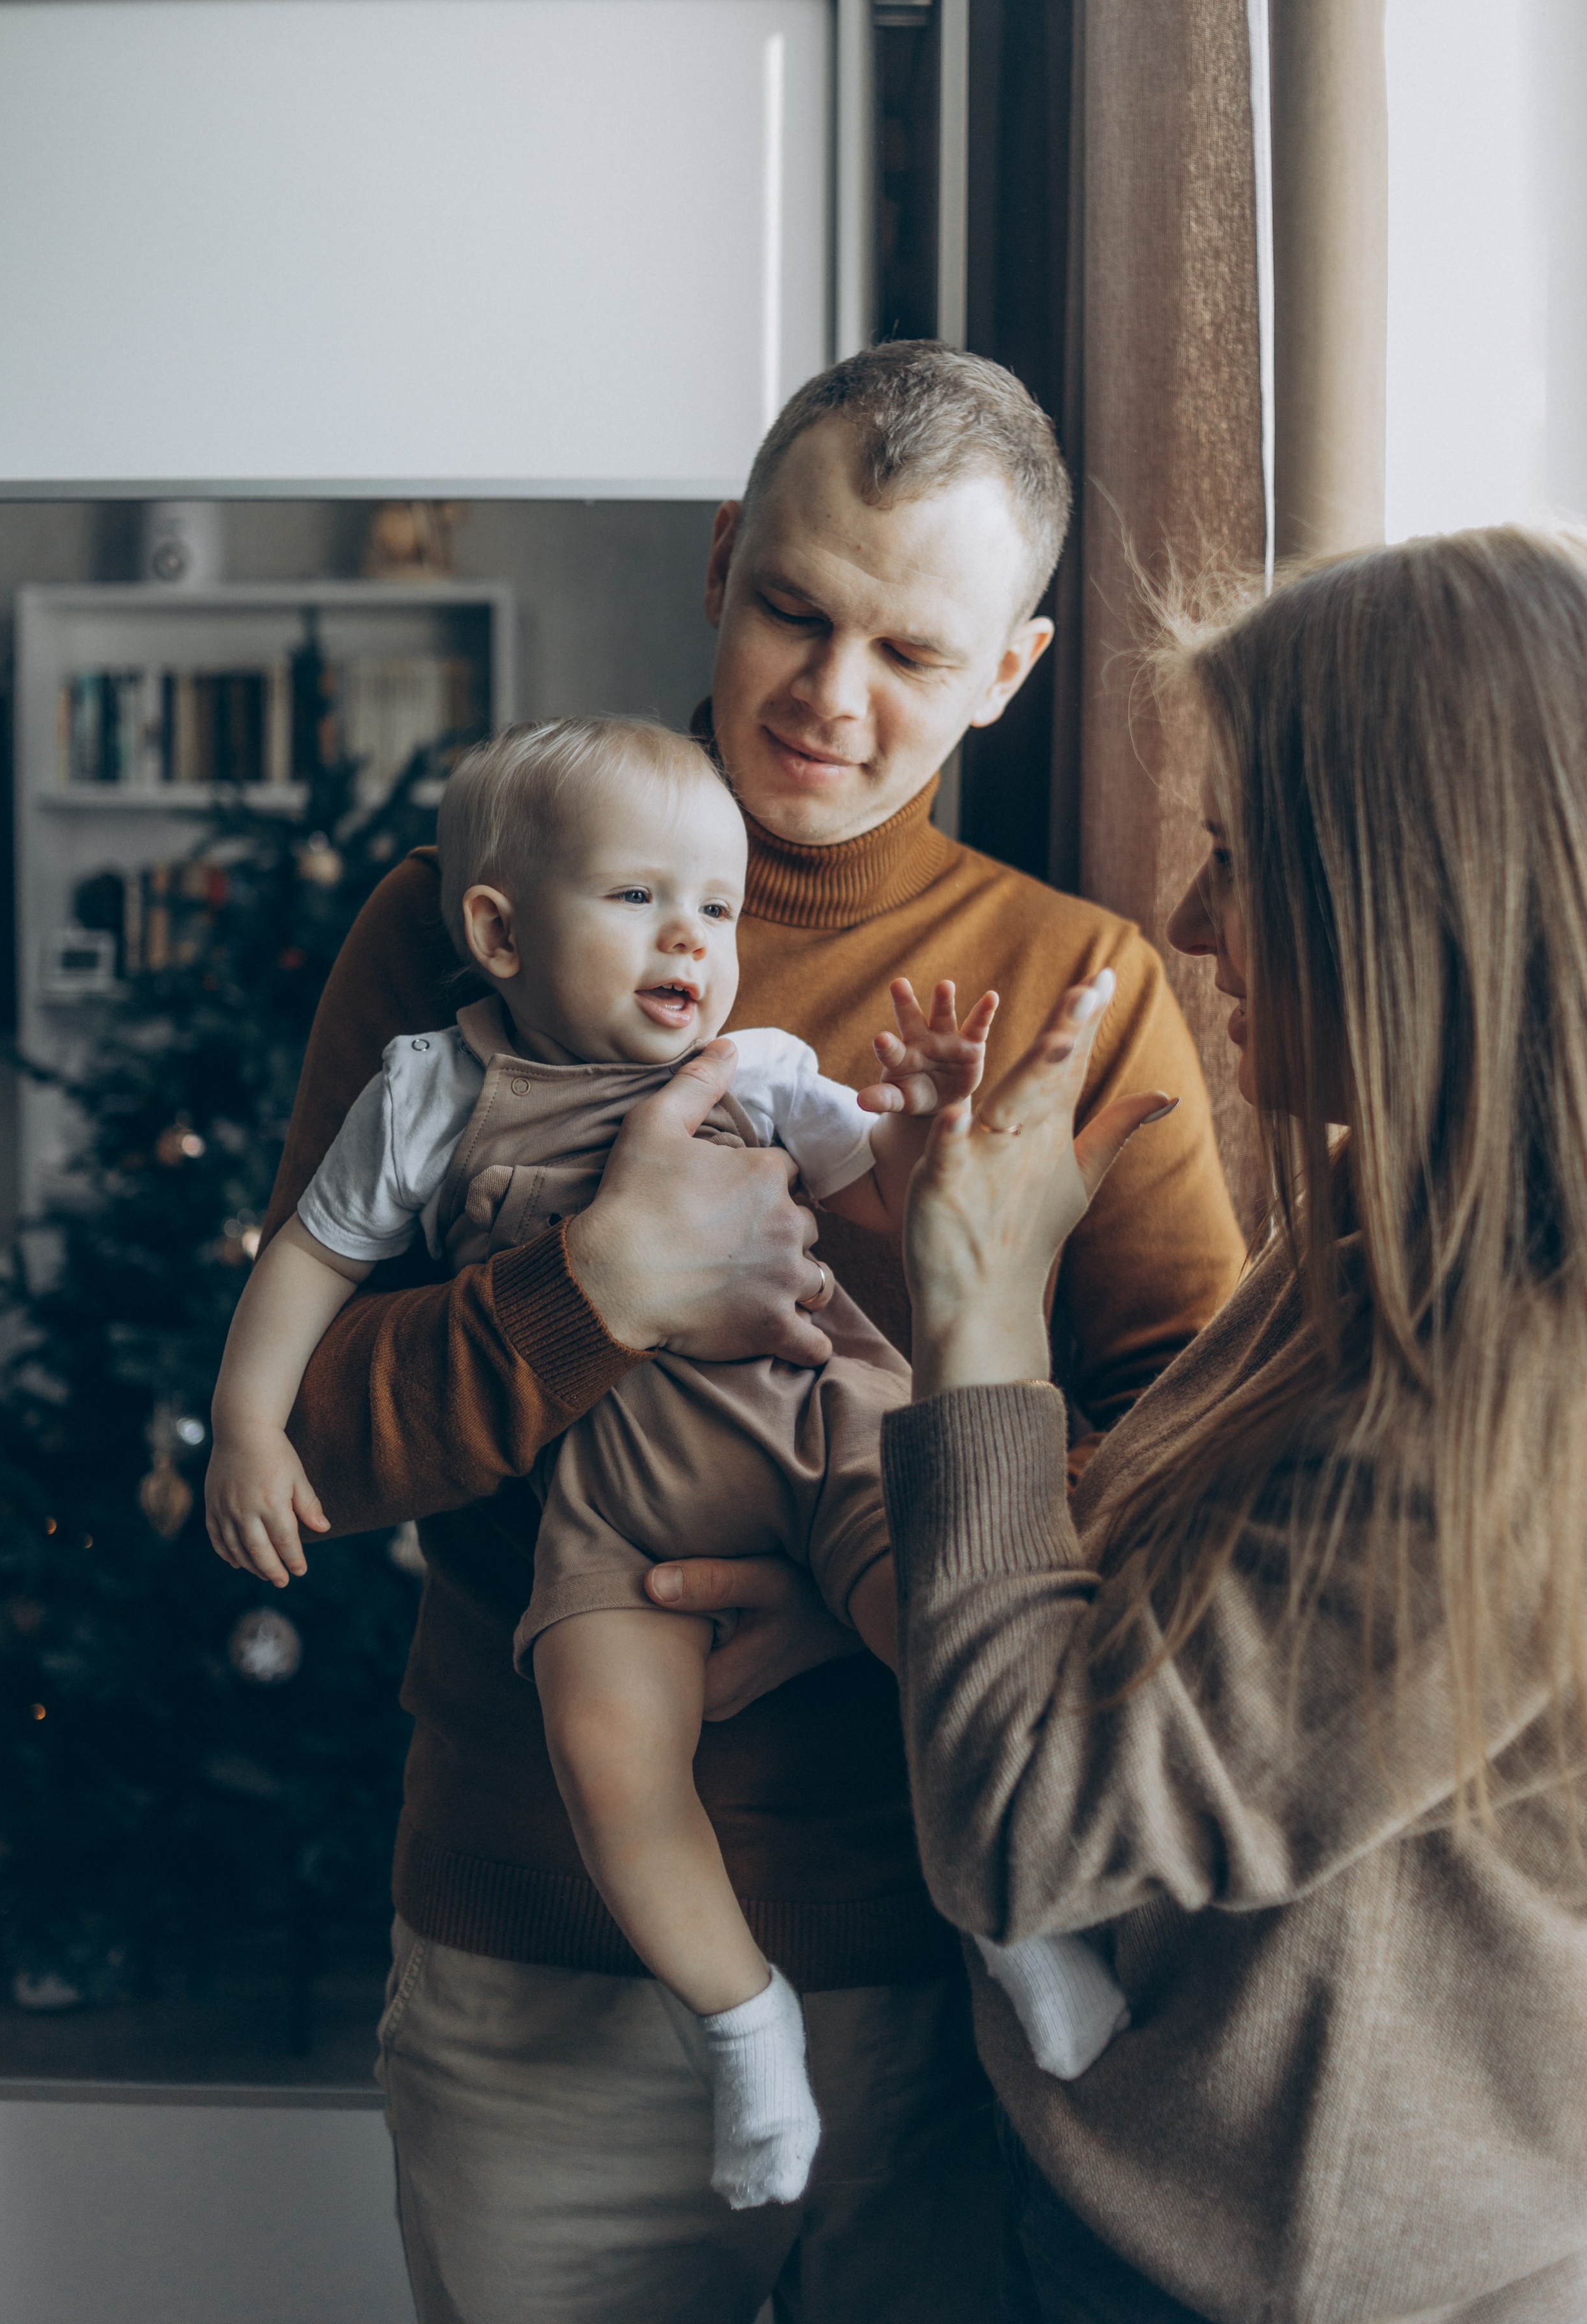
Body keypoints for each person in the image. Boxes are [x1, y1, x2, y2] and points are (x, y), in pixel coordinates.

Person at [262, 343, 1244, 2322]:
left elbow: (1203, 1470)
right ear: (723, 560)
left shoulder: (1080, 988)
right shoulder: (471, 923)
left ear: (1012, 674)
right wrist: (598, 1290)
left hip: (950, 1969)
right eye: (797, 606)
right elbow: (321, 1444)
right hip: (534, 1969)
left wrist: (894, 1584)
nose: (830, 695)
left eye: (908, 648)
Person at [884, 527, 1587, 2321]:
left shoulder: (1511, 1413)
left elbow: (1033, 1810)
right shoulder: (1376, 1239)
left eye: (1237, 858)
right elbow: (1109, 1611)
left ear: (1417, 893)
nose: (1191, 926)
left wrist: (979, 1321)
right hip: (1120, 2206)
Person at [208, 714, 1006, 2206]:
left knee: (955, 1644)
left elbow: (895, 1188)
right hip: (623, 1510)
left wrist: (935, 1121)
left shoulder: (757, 1065)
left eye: (714, 906)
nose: (687, 940)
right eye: (636, 899)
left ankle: (1024, 1929)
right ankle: (741, 2023)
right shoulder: (430, 1090)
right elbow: (311, 1261)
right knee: (608, 1754)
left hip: (816, 1428)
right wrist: (250, 1425)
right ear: (498, 931)